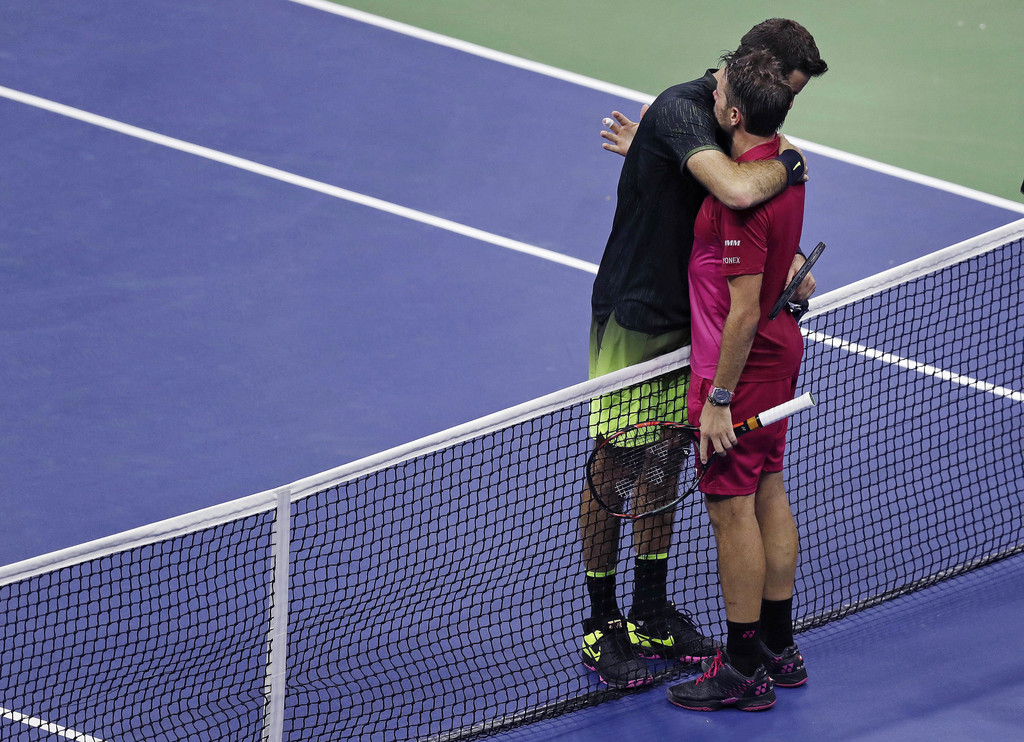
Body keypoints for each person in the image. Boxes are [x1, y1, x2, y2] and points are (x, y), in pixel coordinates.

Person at [581, 18, 827, 690]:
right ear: (752, 73)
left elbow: (743, 211)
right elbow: (742, 190)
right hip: (638, 320)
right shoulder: (686, 110)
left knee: (664, 462)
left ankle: (650, 608)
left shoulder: (738, 125)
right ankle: (602, 622)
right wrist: (795, 162)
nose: (786, 107)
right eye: (784, 89)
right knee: (616, 467)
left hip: (700, 326)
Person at [665, 48, 809, 712]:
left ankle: (744, 665)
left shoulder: (740, 200)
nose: (711, 86)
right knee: (770, 488)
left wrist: (718, 399)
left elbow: (744, 309)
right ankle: (780, 645)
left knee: (732, 512)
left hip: (738, 366)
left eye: (719, 86)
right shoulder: (787, 165)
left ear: (731, 112)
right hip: (782, 354)